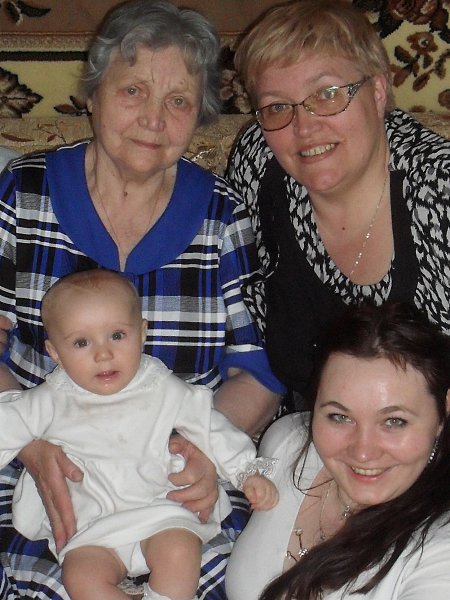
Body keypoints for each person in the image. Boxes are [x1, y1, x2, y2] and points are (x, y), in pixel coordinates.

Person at [0, 1, 284, 597]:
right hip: (49, 467)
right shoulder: (21, 193)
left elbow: (255, 371)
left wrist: (203, 454)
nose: (154, 118)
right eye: (133, 90)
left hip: (178, 483)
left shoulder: (223, 215)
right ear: (93, 95)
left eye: (178, 100)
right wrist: (32, 446)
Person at [0, 269, 279, 600]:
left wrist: (246, 470)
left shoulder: (159, 385)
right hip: (91, 525)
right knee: (80, 578)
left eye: (117, 336)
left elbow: (209, 425)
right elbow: (6, 425)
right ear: (55, 352)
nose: (103, 354)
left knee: (180, 553)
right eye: (81, 342)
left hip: (161, 510)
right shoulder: (49, 400)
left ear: (142, 333)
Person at [226, 0, 450, 411]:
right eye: (278, 106)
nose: (304, 127)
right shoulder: (259, 164)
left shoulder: (439, 194)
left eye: (327, 94)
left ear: (378, 91)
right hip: (302, 433)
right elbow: (251, 347)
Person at [226, 301, 450, 599]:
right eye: (340, 417)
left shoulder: (440, 551)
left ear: (443, 412)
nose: (363, 452)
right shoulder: (287, 443)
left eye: (394, 421)